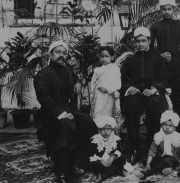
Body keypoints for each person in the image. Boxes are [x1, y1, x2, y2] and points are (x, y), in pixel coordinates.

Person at [34, 40, 98, 183]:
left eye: (64, 53)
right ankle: (62, 170)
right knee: (66, 127)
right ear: (50, 54)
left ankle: (80, 162)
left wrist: (78, 83)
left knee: (87, 123)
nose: (61, 55)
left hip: (70, 110)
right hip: (52, 114)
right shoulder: (43, 74)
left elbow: (74, 77)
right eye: (58, 52)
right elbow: (44, 98)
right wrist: (62, 114)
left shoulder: (68, 69)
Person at [121, 27, 169, 164]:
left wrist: (154, 89)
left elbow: (165, 78)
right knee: (131, 110)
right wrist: (129, 88)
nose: (140, 44)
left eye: (143, 41)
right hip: (136, 93)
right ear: (134, 43)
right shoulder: (130, 60)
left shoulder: (158, 58)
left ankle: (150, 149)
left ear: (149, 41)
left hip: (152, 93)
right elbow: (123, 79)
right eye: (138, 41)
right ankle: (134, 149)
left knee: (154, 111)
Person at [150, 0, 180, 111]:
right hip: (160, 65)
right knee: (161, 91)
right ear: (160, 10)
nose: (166, 12)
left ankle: (177, 124)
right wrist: (160, 55)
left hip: (175, 65)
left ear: (173, 9)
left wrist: (178, 55)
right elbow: (149, 48)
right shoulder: (155, 26)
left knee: (177, 91)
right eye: (164, 9)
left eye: (169, 9)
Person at [138, 110, 180, 180]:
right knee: (148, 160)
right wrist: (148, 163)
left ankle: (147, 173)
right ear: (161, 125)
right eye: (165, 125)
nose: (167, 127)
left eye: (170, 126)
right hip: (162, 157)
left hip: (173, 158)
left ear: (174, 128)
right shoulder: (158, 136)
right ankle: (168, 169)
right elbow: (153, 150)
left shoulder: (178, 137)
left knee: (165, 161)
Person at [88, 116, 129, 182]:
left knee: (121, 160)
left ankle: (104, 176)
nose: (106, 131)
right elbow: (92, 154)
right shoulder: (95, 139)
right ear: (99, 130)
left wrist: (113, 157)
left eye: (108, 129)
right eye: (103, 129)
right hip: (100, 162)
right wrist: (101, 161)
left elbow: (118, 150)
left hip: (111, 162)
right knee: (93, 165)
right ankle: (112, 171)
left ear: (112, 130)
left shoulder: (115, 139)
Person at [89, 46, 122, 129]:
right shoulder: (97, 70)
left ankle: (108, 135)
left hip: (109, 96)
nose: (104, 59)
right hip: (98, 96)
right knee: (97, 114)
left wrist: (107, 89)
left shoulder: (114, 68)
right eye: (102, 56)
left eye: (106, 56)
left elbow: (117, 84)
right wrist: (93, 92)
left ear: (112, 57)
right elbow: (93, 83)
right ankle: (98, 134)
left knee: (107, 116)